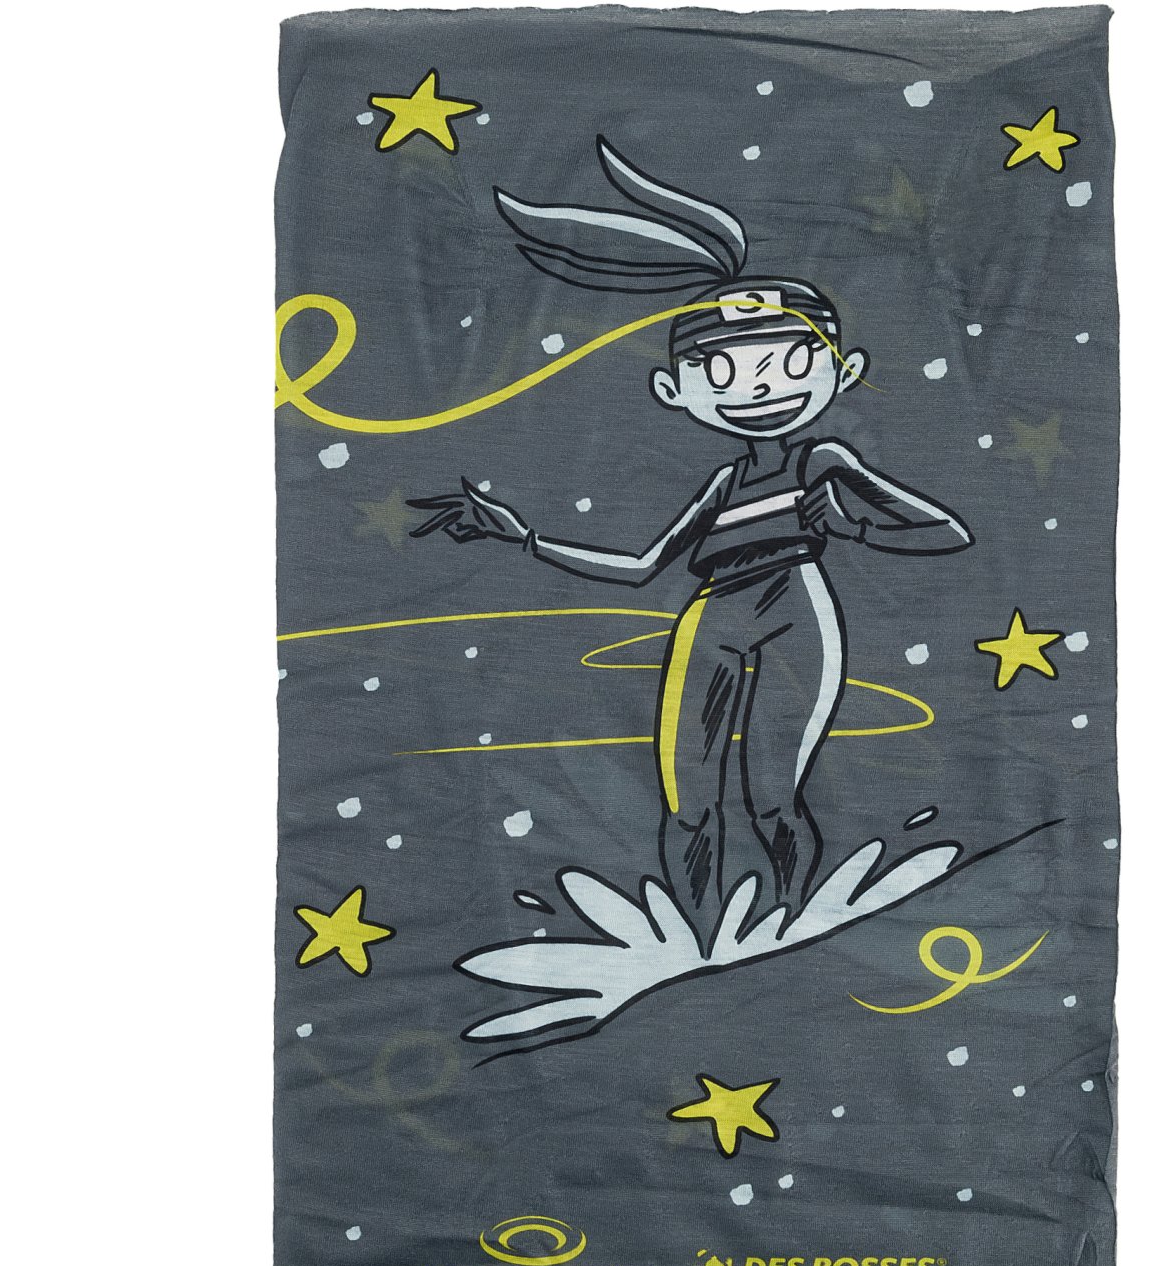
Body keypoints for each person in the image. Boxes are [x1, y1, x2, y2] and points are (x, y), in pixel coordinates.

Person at [411, 139, 972, 926]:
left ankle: (789, 922)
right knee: (687, 800)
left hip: (794, 613)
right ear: (675, 389)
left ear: (842, 372)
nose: (760, 388)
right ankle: (700, 933)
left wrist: (853, 531)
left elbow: (946, 531)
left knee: (774, 798)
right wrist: (523, 539)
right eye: (724, 371)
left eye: (789, 363)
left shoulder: (823, 459)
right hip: (711, 617)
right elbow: (643, 566)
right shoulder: (723, 483)